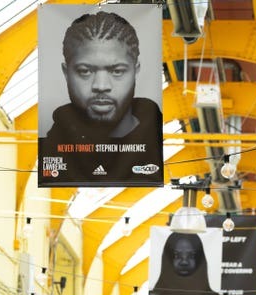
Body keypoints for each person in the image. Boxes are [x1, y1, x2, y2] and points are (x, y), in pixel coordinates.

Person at [38, 10, 163, 187]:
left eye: (117, 71)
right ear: (66, 73)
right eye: (85, 71)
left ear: (136, 71)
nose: (101, 85)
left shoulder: (153, 144)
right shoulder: (50, 147)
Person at [147, 232, 219, 295]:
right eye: (177, 255)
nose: (184, 262)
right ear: (167, 259)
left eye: (190, 256)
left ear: (199, 259)